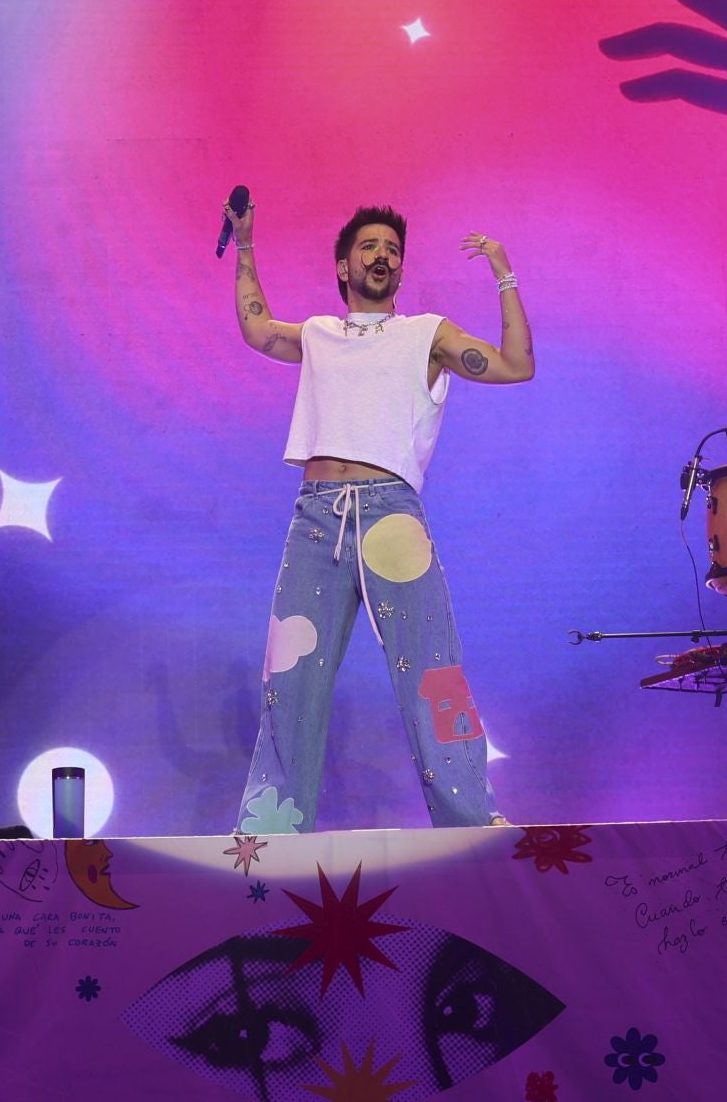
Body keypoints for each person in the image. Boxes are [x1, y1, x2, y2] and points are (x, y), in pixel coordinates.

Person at [228, 201, 531, 834]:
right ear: (344, 265)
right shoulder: (317, 333)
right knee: (292, 678)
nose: (382, 255)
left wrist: (503, 274)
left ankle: (473, 822)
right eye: (369, 245)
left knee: (433, 672)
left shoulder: (427, 333)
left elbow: (515, 365)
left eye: (392, 248)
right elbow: (257, 331)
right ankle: (269, 833)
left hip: (391, 516)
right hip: (316, 519)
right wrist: (247, 243)